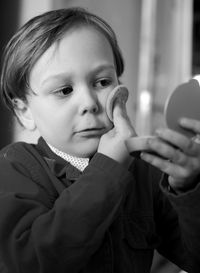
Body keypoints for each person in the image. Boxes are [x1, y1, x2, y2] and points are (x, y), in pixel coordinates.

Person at [0, 7, 200, 273]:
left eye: (102, 82)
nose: (89, 103)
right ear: (24, 111)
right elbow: (34, 261)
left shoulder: (143, 172)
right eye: (65, 90)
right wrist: (108, 168)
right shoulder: (14, 169)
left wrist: (188, 187)